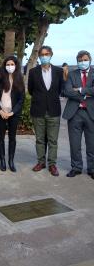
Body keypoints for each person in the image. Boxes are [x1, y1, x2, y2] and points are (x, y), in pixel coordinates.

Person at [28, 46, 64, 176]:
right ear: (39, 56)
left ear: (51, 55)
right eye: (42, 54)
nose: (44, 56)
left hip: (54, 110)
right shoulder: (33, 72)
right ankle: (41, 162)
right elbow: (31, 90)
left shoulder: (59, 71)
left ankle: (52, 164)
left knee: (53, 140)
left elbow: (60, 89)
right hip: (38, 110)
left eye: (46, 54)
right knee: (40, 139)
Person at [63, 51, 94, 180]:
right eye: (80, 60)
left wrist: (80, 90)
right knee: (74, 144)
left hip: (91, 113)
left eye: (85, 60)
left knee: (91, 144)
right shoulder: (71, 74)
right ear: (77, 61)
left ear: (90, 60)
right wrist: (88, 93)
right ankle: (76, 167)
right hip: (74, 113)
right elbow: (67, 91)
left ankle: (92, 169)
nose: (82, 62)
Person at [0, 55, 25, 172]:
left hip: (13, 114)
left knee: (12, 138)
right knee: (0, 137)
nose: (10, 66)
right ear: (4, 66)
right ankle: (2, 160)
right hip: (0, 113)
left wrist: (12, 112)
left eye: (12, 64)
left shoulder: (19, 79)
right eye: (8, 64)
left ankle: (11, 161)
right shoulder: (0, 79)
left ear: (16, 66)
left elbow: (21, 99)